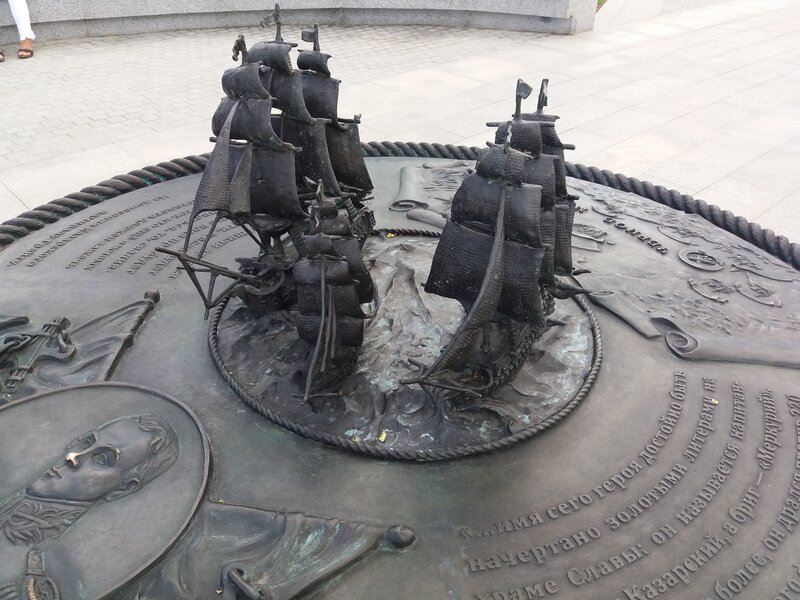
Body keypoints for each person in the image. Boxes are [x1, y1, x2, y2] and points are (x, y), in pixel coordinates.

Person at [0, 414, 179, 598]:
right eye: (87, 443)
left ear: (124, 488)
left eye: (101, 459)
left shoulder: (46, 573)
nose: (72, 456)